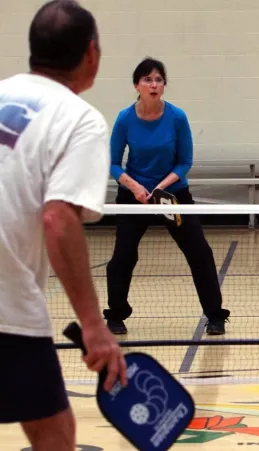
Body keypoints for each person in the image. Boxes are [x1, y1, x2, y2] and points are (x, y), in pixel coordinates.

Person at [0, 1, 127, 449]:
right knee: (54, 435)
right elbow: (57, 219)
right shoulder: (79, 120)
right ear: (91, 54)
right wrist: (93, 325)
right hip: (6, 309)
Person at [103, 57, 230, 335]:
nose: (154, 84)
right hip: (134, 196)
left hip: (173, 195)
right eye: (147, 79)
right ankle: (116, 314)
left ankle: (215, 315)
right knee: (123, 256)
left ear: (164, 86)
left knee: (199, 252)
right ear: (137, 85)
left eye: (159, 79)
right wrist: (135, 187)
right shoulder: (125, 119)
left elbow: (185, 161)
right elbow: (113, 163)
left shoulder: (177, 117)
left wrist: (162, 186)